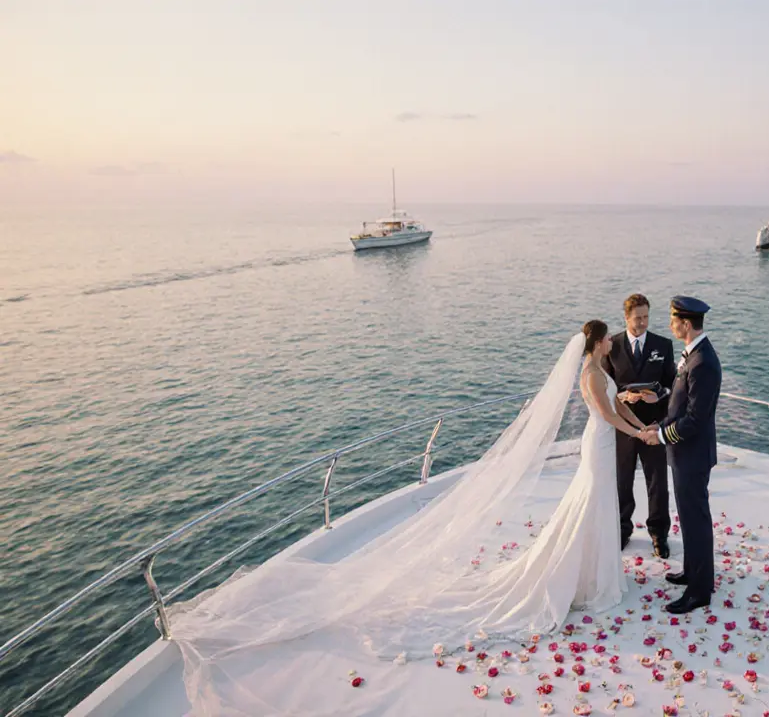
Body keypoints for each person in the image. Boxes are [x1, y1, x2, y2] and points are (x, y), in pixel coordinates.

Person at [170, 322, 649, 714]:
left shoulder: (595, 370)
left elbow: (611, 407)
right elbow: (605, 416)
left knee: (592, 509)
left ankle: (591, 575)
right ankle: (589, 579)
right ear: (598, 341)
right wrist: (641, 429)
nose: (611, 343)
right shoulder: (591, 374)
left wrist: (633, 418)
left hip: (602, 443)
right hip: (599, 444)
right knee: (589, 507)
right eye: (608, 338)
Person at [640, 296, 722, 615]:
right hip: (682, 453)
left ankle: (700, 591)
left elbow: (695, 419)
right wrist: (657, 425)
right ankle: (691, 571)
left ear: (686, 324)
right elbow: (677, 405)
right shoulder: (693, 355)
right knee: (688, 519)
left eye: (674, 319)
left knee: (696, 521)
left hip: (692, 455)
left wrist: (660, 436)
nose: (671, 324)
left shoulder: (703, 362)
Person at [602, 294, 677, 557]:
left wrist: (661, 395)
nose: (643, 322)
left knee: (657, 481)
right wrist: (622, 397)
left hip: (654, 426)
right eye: (638, 318)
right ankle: (623, 529)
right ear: (626, 318)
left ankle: (659, 533)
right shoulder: (611, 347)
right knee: (622, 480)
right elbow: (604, 387)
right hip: (622, 426)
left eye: (646, 317)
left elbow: (673, 384)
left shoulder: (663, 345)